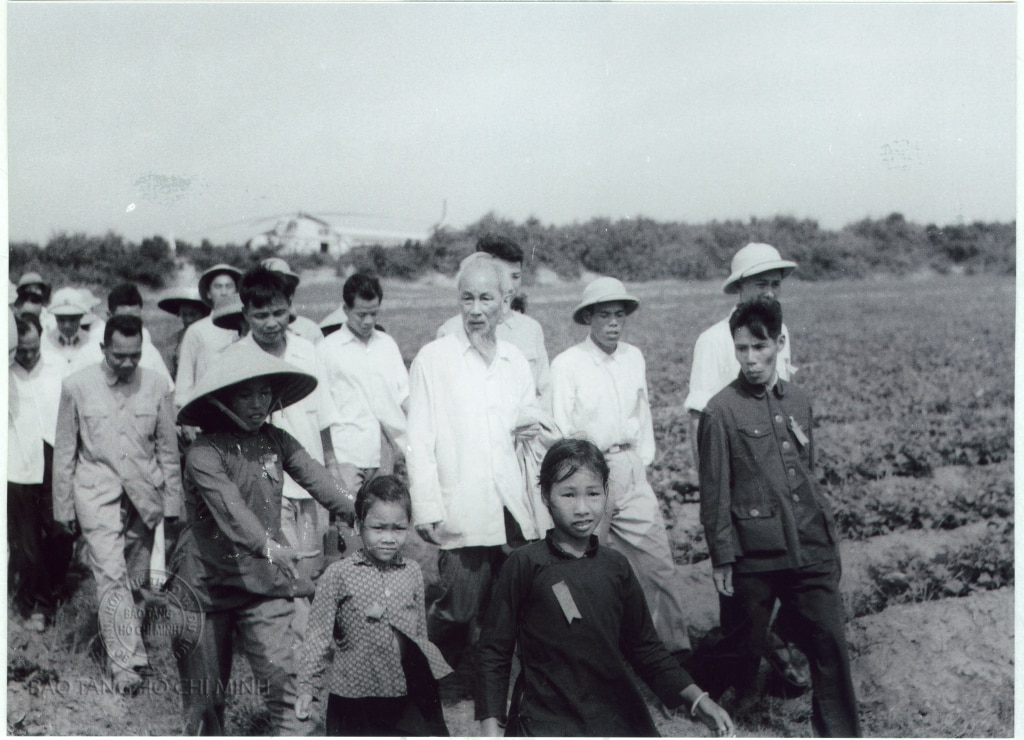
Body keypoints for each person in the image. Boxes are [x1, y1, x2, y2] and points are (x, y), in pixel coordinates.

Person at [476, 438, 734, 737]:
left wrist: (698, 700)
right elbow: (494, 651)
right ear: (546, 495)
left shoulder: (616, 567)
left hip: (613, 717)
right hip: (546, 719)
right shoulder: (526, 565)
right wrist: (491, 726)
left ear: (607, 493)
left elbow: (646, 649)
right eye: (568, 494)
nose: (582, 508)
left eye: (593, 493)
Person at [171, 341, 356, 735]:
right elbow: (230, 508)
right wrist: (268, 545)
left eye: (265, 392)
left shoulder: (277, 441)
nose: (258, 403)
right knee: (205, 703)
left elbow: (318, 478)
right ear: (222, 399)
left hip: (263, 583)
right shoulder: (204, 453)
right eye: (245, 394)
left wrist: (362, 509)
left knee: (289, 684)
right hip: (204, 587)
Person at [696, 298, 860, 736]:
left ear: (779, 342)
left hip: (810, 545)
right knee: (739, 647)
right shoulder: (720, 410)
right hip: (754, 554)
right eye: (741, 349)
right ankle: (695, 687)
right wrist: (721, 556)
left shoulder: (800, 400)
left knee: (830, 645)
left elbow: (808, 470)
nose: (750, 359)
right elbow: (714, 492)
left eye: (760, 347)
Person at [406, 253, 544, 669]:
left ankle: (490, 692)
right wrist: (428, 506)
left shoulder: (515, 361)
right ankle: (414, 674)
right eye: (468, 299)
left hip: (510, 506)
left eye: (487, 298)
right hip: (462, 503)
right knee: (457, 607)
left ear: (506, 301)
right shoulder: (434, 359)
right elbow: (419, 438)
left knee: (504, 611)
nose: (476, 309)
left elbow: (528, 426)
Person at [683, 242, 809, 698]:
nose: (771, 292)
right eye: (761, 284)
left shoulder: (781, 331)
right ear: (739, 288)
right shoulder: (713, 340)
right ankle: (712, 682)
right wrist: (712, 492)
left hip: (778, 480)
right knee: (741, 600)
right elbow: (700, 416)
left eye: (776, 284)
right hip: (736, 481)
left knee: (791, 582)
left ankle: (774, 666)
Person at [550, 276, 691, 657]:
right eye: (604, 315)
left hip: (629, 466)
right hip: (588, 471)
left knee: (657, 562)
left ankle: (673, 659)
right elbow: (562, 426)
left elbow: (642, 414)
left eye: (619, 315)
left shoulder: (634, 357)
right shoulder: (568, 364)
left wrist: (639, 461)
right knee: (585, 567)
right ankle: (586, 659)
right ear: (589, 318)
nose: (613, 322)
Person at [52, 314, 182, 692]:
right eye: (119, 356)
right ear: (103, 348)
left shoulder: (158, 385)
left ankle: (128, 642)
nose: (127, 363)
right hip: (95, 494)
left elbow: (168, 451)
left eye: (135, 356)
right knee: (110, 574)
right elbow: (65, 453)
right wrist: (63, 509)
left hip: (145, 495)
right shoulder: (76, 387)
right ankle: (126, 663)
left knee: (138, 580)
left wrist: (172, 504)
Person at [294, 476, 451, 736]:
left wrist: (427, 679)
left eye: (398, 529)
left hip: (407, 693)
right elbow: (318, 636)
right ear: (358, 525)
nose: (388, 538)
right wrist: (307, 687)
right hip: (355, 697)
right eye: (378, 528)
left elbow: (420, 635)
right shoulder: (338, 574)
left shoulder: (412, 571)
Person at [234, 265, 344, 591]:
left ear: (291, 308)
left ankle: (306, 631)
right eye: (261, 314)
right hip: (262, 480)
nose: (271, 322)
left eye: (279, 312)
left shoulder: (307, 352)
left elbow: (323, 417)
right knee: (282, 566)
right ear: (246, 313)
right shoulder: (237, 358)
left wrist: (332, 467)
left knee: (310, 562)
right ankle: (292, 636)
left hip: (308, 479)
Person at [8, 313, 75, 632]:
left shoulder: (59, 366)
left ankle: (50, 586)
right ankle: (40, 605)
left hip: (55, 459)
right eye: (21, 350)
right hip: (18, 463)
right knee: (27, 538)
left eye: (33, 349)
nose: (28, 355)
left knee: (62, 531)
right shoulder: (6, 371)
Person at [318, 273, 409, 495]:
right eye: (361, 314)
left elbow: (404, 396)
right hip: (345, 453)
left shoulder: (387, 345)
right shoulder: (326, 349)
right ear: (346, 310)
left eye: (374, 313)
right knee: (348, 522)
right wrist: (330, 463)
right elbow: (320, 409)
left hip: (386, 452)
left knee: (382, 521)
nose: (368, 321)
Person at [436, 235, 551, 410]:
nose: (510, 286)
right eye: (502, 275)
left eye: (516, 276)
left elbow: (545, 394)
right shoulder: (450, 330)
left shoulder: (531, 329)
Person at [70, 282, 175, 389]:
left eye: (135, 319)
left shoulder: (148, 350)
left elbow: (168, 390)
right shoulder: (89, 351)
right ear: (109, 316)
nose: (130, 324)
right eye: (122, 319)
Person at [174, 263, 242, 409]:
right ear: (209, 293)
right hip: (207, 408)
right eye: (218, 287)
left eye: (229, 286)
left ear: (236, 290)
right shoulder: (197, 330)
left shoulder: (246, 326)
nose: (224, 292)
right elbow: (185, 379)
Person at [260, 257, 325, 344]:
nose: (272, 291)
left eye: (280, 286)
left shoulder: (309, 330)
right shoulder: (250, 328)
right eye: (265, 285)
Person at [156, 286, 210, 378]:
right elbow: (167, 375)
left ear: (204, 313)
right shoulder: (173, 342)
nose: (188, 319)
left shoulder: (214, 336)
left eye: (193, 314)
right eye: (184, 315)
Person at [40, 287, 93, 374]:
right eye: (61, 319)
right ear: (55, 317)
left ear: (81, 316)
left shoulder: (91, 342)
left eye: (72, 319)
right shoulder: (44, 342)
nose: (67, 325)